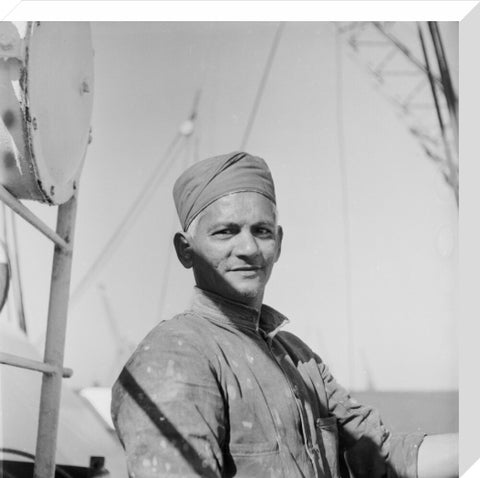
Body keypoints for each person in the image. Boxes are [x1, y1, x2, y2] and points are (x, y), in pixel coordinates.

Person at [111, 151, 458, 478]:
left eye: (261, 231)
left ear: (278, 243)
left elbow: (382, 457)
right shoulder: (177, 354)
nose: (248, 249)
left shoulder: (298, 358)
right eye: (225, 232)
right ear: (186, 250)